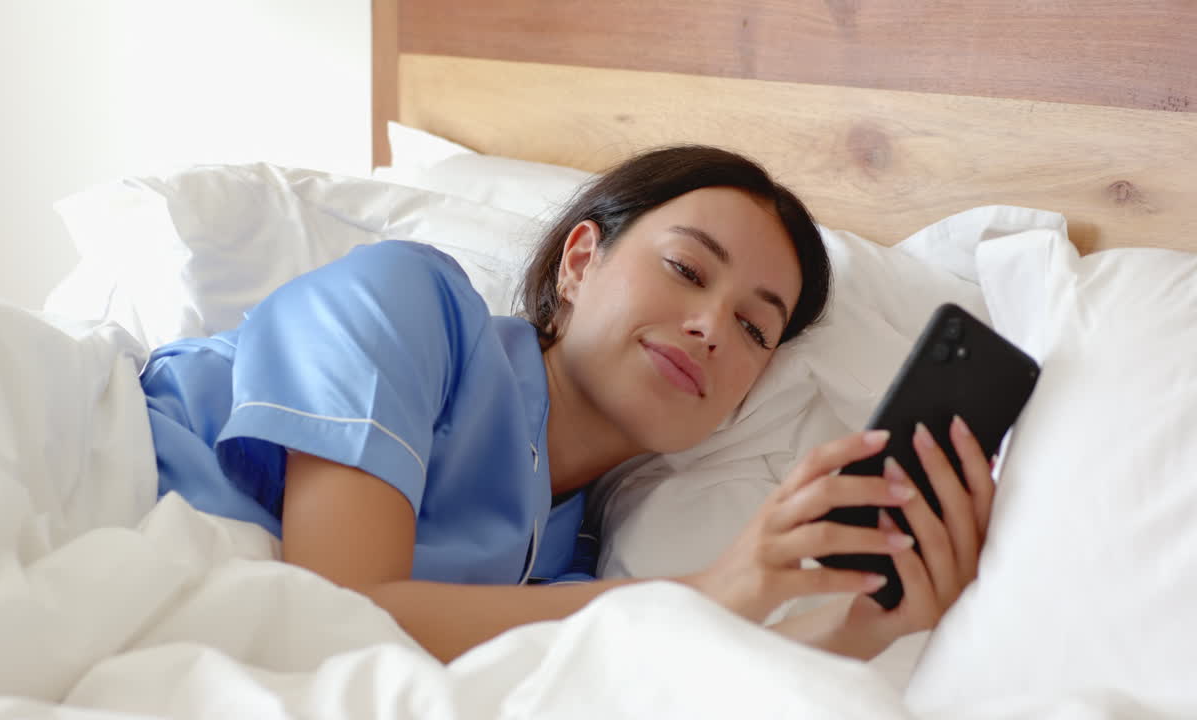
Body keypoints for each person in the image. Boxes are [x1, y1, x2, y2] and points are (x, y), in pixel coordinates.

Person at [139, 145, 994, 664]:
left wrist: (865, 627)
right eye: (687, 270)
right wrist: (712, 589)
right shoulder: (403, 300)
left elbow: (642, 676)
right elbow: (336, 610)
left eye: (753, 329)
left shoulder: (564, 559)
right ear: (580, 263)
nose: (708, 328)